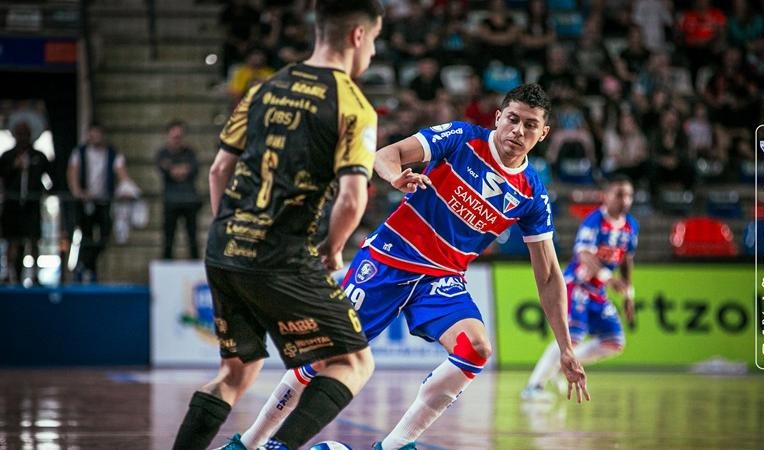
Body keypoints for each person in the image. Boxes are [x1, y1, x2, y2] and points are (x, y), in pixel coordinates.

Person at [226, 83, 590, 450]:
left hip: (442, 278)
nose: (518, 131)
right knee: (323, 356)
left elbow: (547, 274)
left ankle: (395, 444)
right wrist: (395, 176)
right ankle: (249, 443)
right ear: (498, 117)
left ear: (543, 134)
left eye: (530, 125)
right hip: (389, 259)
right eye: (512, 119)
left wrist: (566, 347)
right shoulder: (462, 137)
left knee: (476, 349)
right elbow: (388, 153)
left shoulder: (532, 194)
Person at [171, 1, 384, 449]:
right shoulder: (353, 104)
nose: (374, 52)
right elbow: (352, 195)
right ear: (358, 36)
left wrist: (230, 230)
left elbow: (217, 171)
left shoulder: (265, 88)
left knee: (235, 372)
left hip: (225, 246)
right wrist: (331, 248)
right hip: (282, 255)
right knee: (353, 363)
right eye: (376, 40)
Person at [521, 175, 638, 402]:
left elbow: (626, 260)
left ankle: (561, 367)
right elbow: (584, 254)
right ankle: (534, 386)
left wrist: (629, 294)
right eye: (619, 194)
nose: (625, 200)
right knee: (569, 340)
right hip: (577, 287)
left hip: (598, 291)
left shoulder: (631, 225)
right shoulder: (594, 221)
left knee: (614, 341)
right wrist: (608, 277)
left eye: (629, 195)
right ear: (606, 196)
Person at [66, 122, 130, 283]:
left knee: (105, 235)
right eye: (92, 133)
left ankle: (85, 265)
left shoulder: (112, 154)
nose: (94, 137)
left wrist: (127, 190)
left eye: (98, 133)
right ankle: (88, 270)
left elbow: (122, 174)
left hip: (104, 201)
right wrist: (78, 192)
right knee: (86, 236)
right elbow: (73, 173)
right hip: (85, 201)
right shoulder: (79, 152)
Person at [0, 116, 51, 285]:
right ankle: (9, 274)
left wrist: (44, 191)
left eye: (26, 133)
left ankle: (35, 275)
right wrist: (15, 166)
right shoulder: (7, 156)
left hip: (32, 204)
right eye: (20, 133)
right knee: (12, 240)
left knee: (33, 239)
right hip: (12, 204)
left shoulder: (39, 156)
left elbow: (51, 178)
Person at [155, 119, 201, 260]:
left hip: (189, 201)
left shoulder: (190, 153)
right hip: (170, 202)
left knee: (192, 238)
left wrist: (174, 169)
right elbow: (167, 170)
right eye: (174, 136)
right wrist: (180, 170)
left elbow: (192, 169)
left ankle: (196, 268)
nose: (177, 139)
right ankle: (166, 267)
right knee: (168, 239)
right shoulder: (162, 153)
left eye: (179, 136)